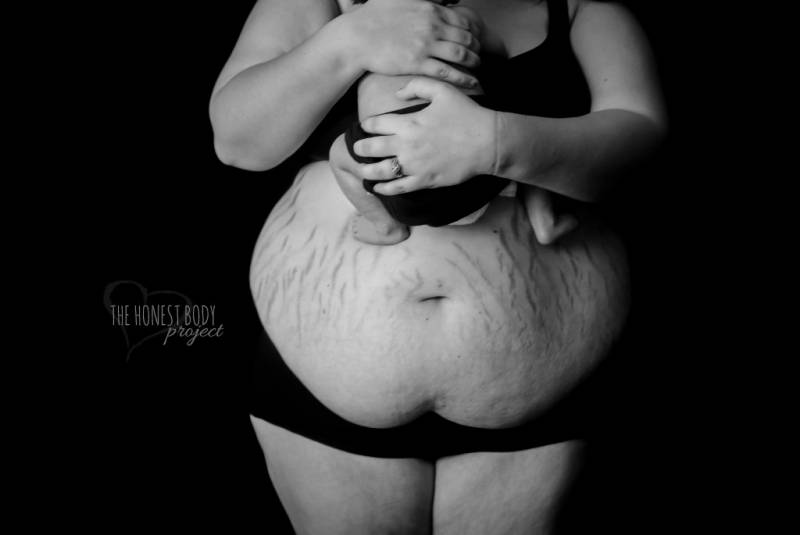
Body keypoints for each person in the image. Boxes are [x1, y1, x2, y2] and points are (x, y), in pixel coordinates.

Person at [210, 0, 666, 533]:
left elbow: (642, 138)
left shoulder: (582, 9)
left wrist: (496, 144)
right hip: (325, 381)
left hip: (542, 376)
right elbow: (237, 144)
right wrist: (349, 40)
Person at [334, 0, 578, 246]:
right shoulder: (456, 17)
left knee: (338, 155)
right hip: (479, 162)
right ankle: (544, 219)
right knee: (521, 120)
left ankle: (385, 226)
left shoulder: (356, 27)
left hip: (401, 181)